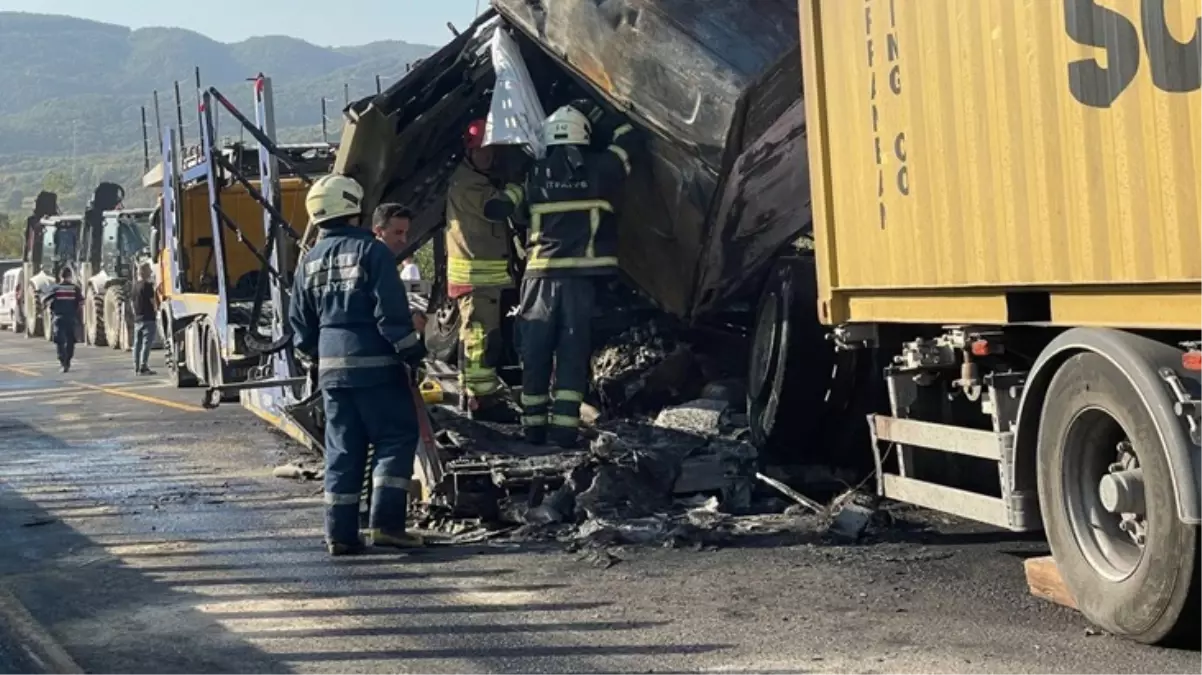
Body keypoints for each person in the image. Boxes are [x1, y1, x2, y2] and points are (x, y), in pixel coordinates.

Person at [486, 102, 640, 447]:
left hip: (538, 277)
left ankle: (532, 426)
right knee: (572, 350)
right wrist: (604, 115)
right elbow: (629, 141)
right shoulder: (601, 167)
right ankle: (564, 429)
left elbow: (517, 213)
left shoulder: (534, 174)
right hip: (579, 279)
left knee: (536, 348)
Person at [289, 174, 427, 556]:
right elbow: (392, 315)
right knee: (394, 438)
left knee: (343, 448)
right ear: (354, 209)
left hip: (332, 371)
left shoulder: (309, 261)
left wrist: (316, 359)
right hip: (378, 365)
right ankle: (385, 526)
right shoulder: (373, 252)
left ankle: (341, 534)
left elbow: (299, 324)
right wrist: (413, 353)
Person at [444, 119, 517, 423]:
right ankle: (482, 401)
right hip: (476, 279)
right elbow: (496, 208)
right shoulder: (468, 183)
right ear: (470, 151)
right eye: (482, 150)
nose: (488, 155)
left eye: (491, 149)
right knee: (480, 340)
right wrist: (519, 190)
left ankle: (472, 395)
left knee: (477, 336)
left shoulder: (476, 178)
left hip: (481, 279)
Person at [371, 204, 426, 333]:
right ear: (378, 231)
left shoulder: (384, 260)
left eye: (405, 233)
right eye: (398, 233)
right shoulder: (375, 261)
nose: (404, 240)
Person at [44, 267, 82, 373]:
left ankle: (63, 362)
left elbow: (45, 299)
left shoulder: (55, 289)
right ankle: (68, 361)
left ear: (61, 276)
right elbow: (81, 302)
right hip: (71, 318)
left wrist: (49, 307)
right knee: (71, 341)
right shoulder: (75, 288)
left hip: (58, 318)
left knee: (60, 342)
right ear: (70, 276)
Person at [131, 262, 158, 376]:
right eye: (149, 270)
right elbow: (153, 302)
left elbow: (132, 303)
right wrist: (156, 311)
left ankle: (136, 366)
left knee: (137, 344)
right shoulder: (147, 286)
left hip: (138, 319)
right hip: (148, 318)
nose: (151, 272)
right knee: (146, 344)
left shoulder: (135, 286)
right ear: (146, 272)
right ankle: (143, 366)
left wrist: (136, 314)